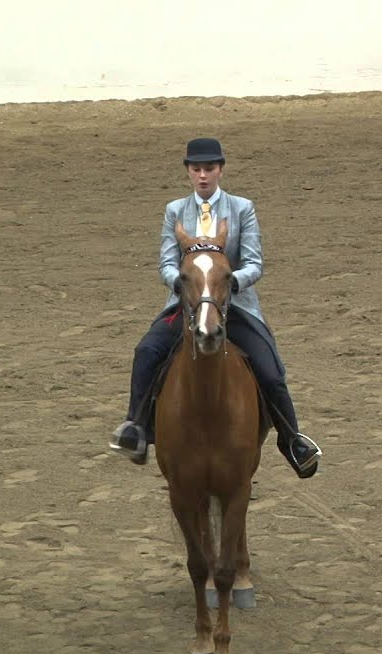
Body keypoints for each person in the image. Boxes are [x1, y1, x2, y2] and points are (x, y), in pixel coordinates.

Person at [108, 137, 322, 478]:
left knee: (269, 369)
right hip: (188, 304)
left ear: (220, 170)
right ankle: (136, 428)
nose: (203, 176)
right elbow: (166, 262)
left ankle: (292, 440)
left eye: (209, 169)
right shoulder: (174, 211)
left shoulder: (242, 208)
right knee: (147, 350)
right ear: (189, 173)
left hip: (233, 306)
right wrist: (182, 284)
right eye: (197, 169)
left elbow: (254, 262)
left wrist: (229, 283)